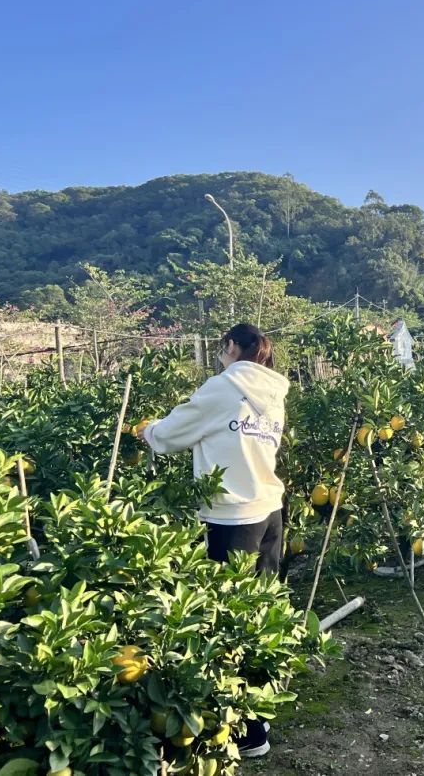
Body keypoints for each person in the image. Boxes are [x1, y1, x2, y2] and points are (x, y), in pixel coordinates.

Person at [139, 322, 288, 759]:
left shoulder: (223, 386)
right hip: (270, 510)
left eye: (222, 347)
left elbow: (170, 436)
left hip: (232, 517)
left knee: (225, 620)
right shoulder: (275, 392)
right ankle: (258, 722)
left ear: (229, 347)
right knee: (261, 615)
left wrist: (146, 430)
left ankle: (238, 727)